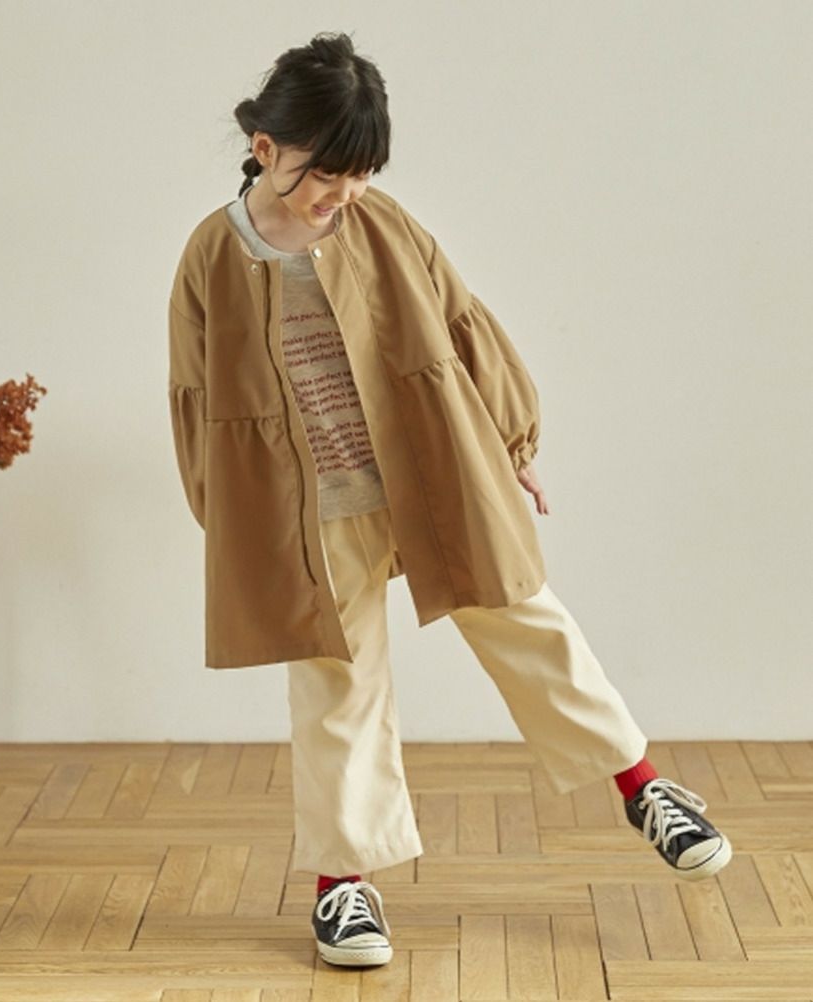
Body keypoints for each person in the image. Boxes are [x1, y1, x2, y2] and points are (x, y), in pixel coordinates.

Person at [167, 30, 732, 970]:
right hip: (314, 510)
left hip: (431, 466)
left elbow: (463, 322)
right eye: (323, 175)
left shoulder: (384, 225)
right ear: (264, 148)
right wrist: (231, 521)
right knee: (337, 685)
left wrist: (512, 442)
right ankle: (343, 883)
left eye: (357, 177)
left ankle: (642, 784)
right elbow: (195, 398)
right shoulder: (211, 256)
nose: (340, 195)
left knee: (523, 616)